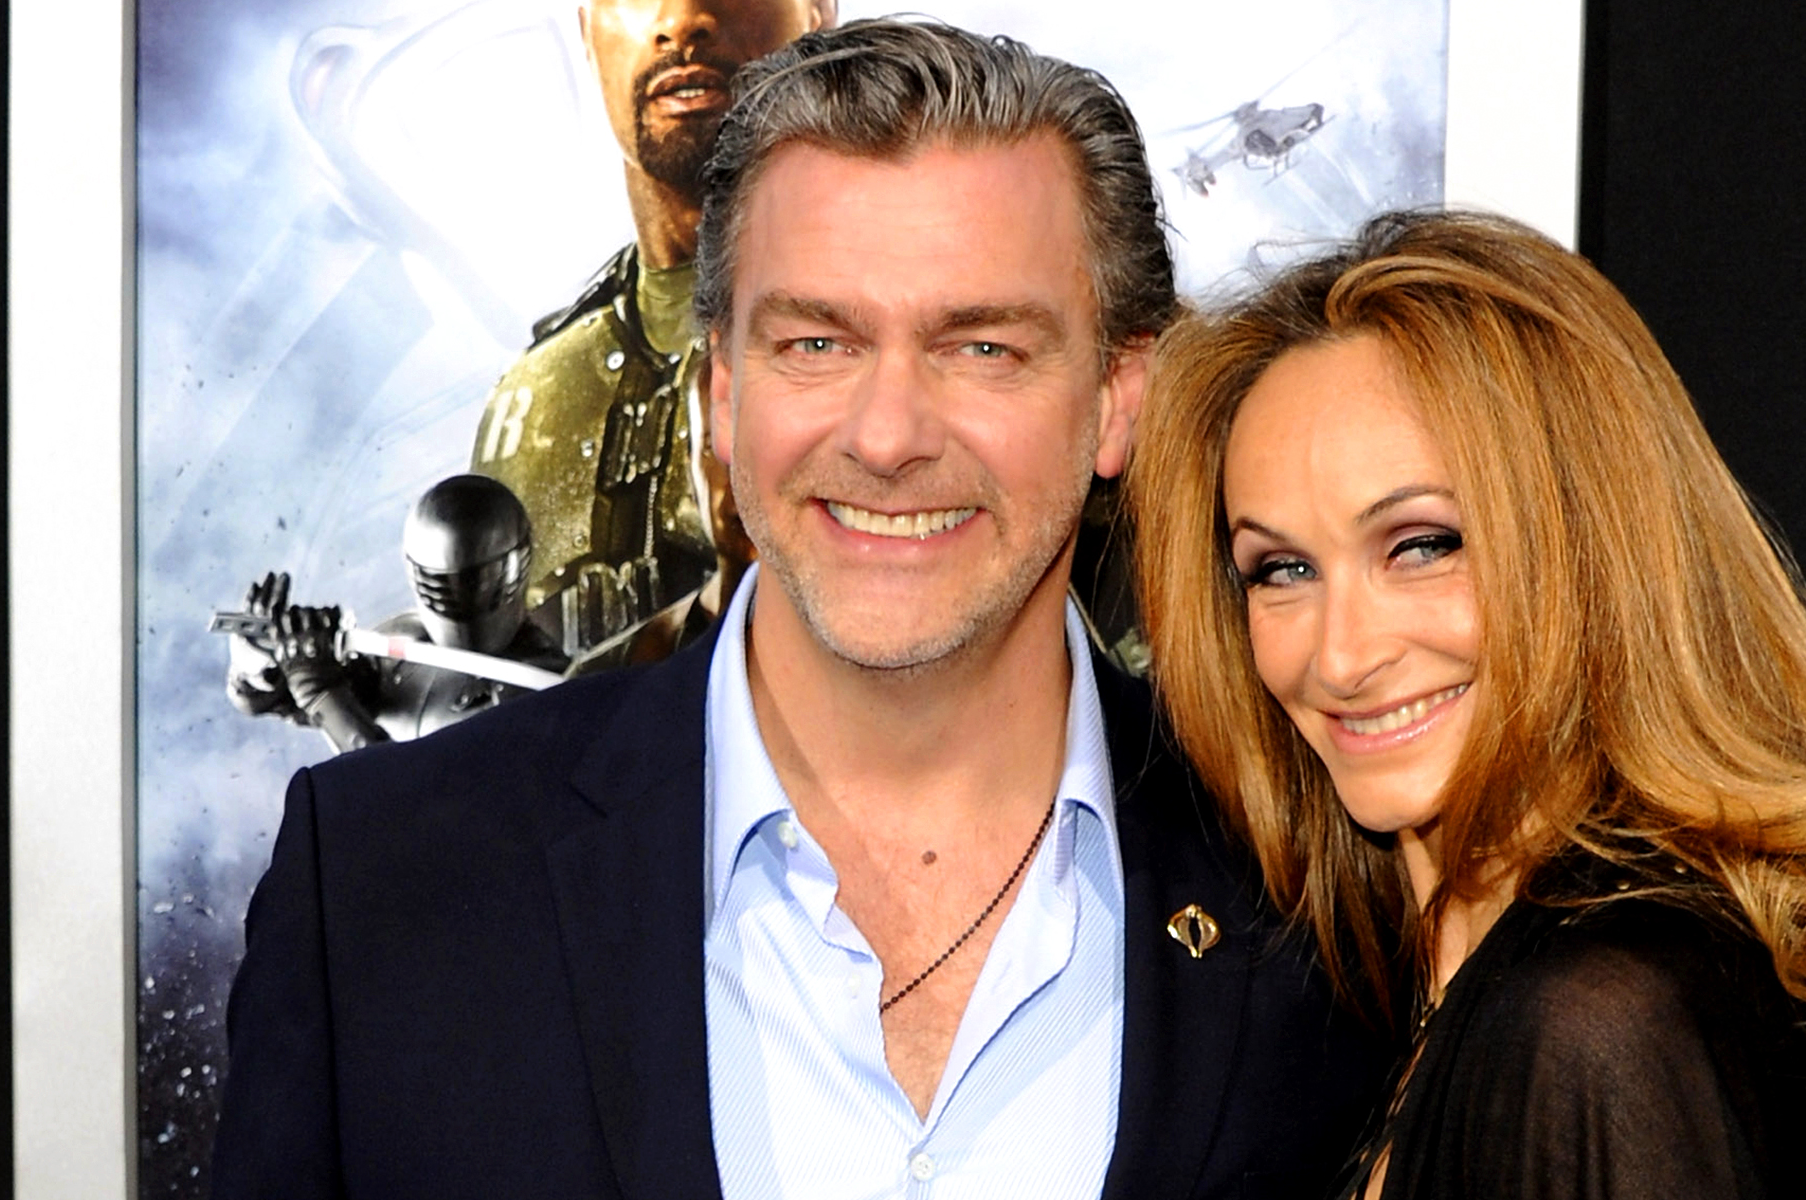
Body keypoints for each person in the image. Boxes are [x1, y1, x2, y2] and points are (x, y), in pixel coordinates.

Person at [210, 19, 1395, 1199]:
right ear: (725, 388)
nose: (886, 438)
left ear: (1118, 397)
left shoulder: (1321, 887)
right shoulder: (382, 886)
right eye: (817, 341)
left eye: (982, 346)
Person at [1127, 209, 1806, 1200]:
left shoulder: (1601, 1021)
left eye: (1423, 545)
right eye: (1283, 569)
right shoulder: (1436, 988)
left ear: (1590, 548)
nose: (1339, 656)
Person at [469, 0, 829, 657]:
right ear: (586, 30)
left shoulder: (931, 331)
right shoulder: (537, 393)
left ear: (819, 13)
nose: (682, 18)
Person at [223, 474, 567, 752]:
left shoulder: (544, 687)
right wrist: (266, 667)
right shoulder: (401, 644)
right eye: (443, 583)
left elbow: (413, 802)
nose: (462, 594)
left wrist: (319, 688)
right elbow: (295, 704)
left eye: (478, 580)